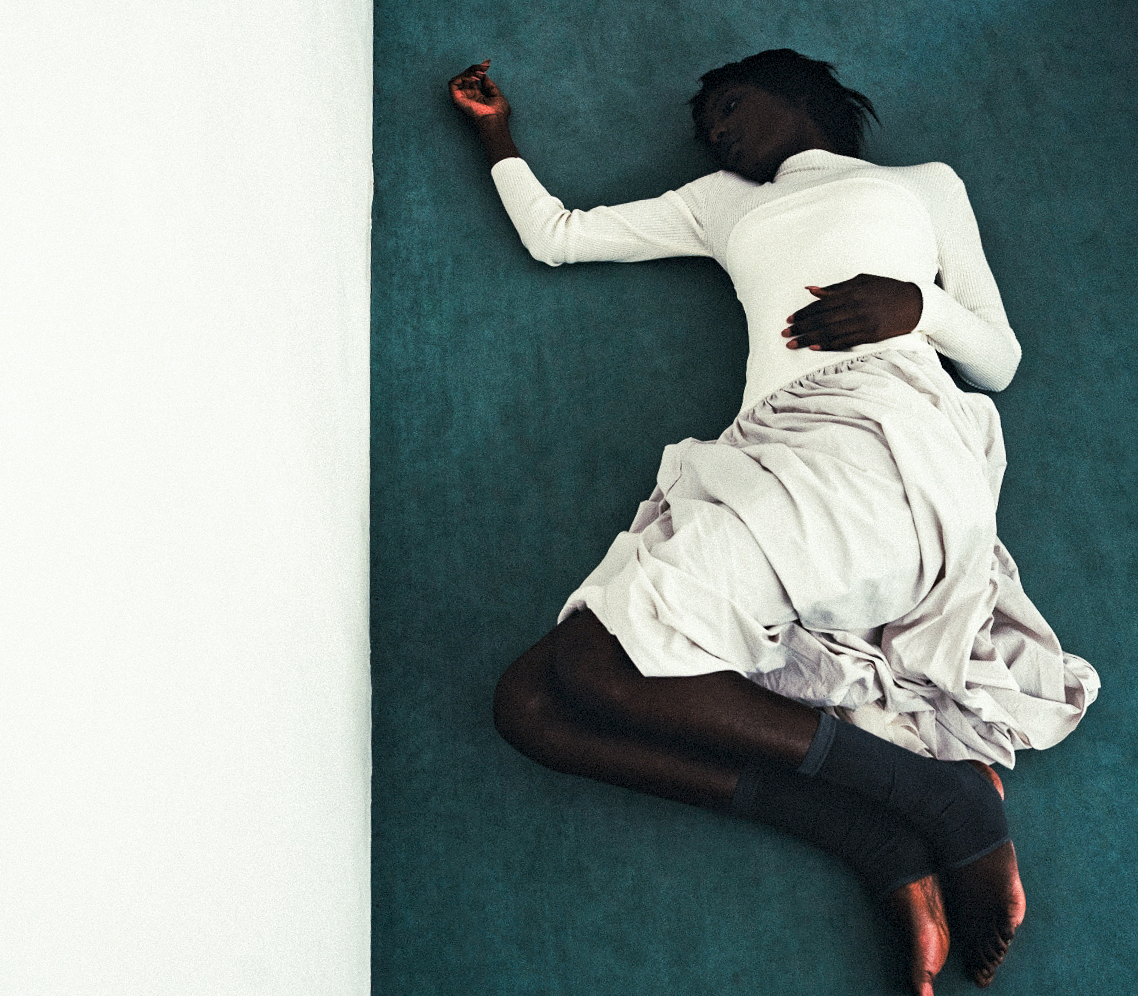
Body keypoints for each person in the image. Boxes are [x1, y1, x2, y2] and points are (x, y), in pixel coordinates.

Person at [448, 50, 1100, 995]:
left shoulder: (925, 185)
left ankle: (930, 806)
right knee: (528, 707)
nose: (716, 132)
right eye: (707, 126)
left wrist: (916, 306)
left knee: (585, 668)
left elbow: (998, 359)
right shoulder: (722, 202)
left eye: (729, 106)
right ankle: (879, 830)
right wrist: (496, 134)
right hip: (770, 448)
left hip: (885, 432)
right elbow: (558, 236)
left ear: (801, 93)